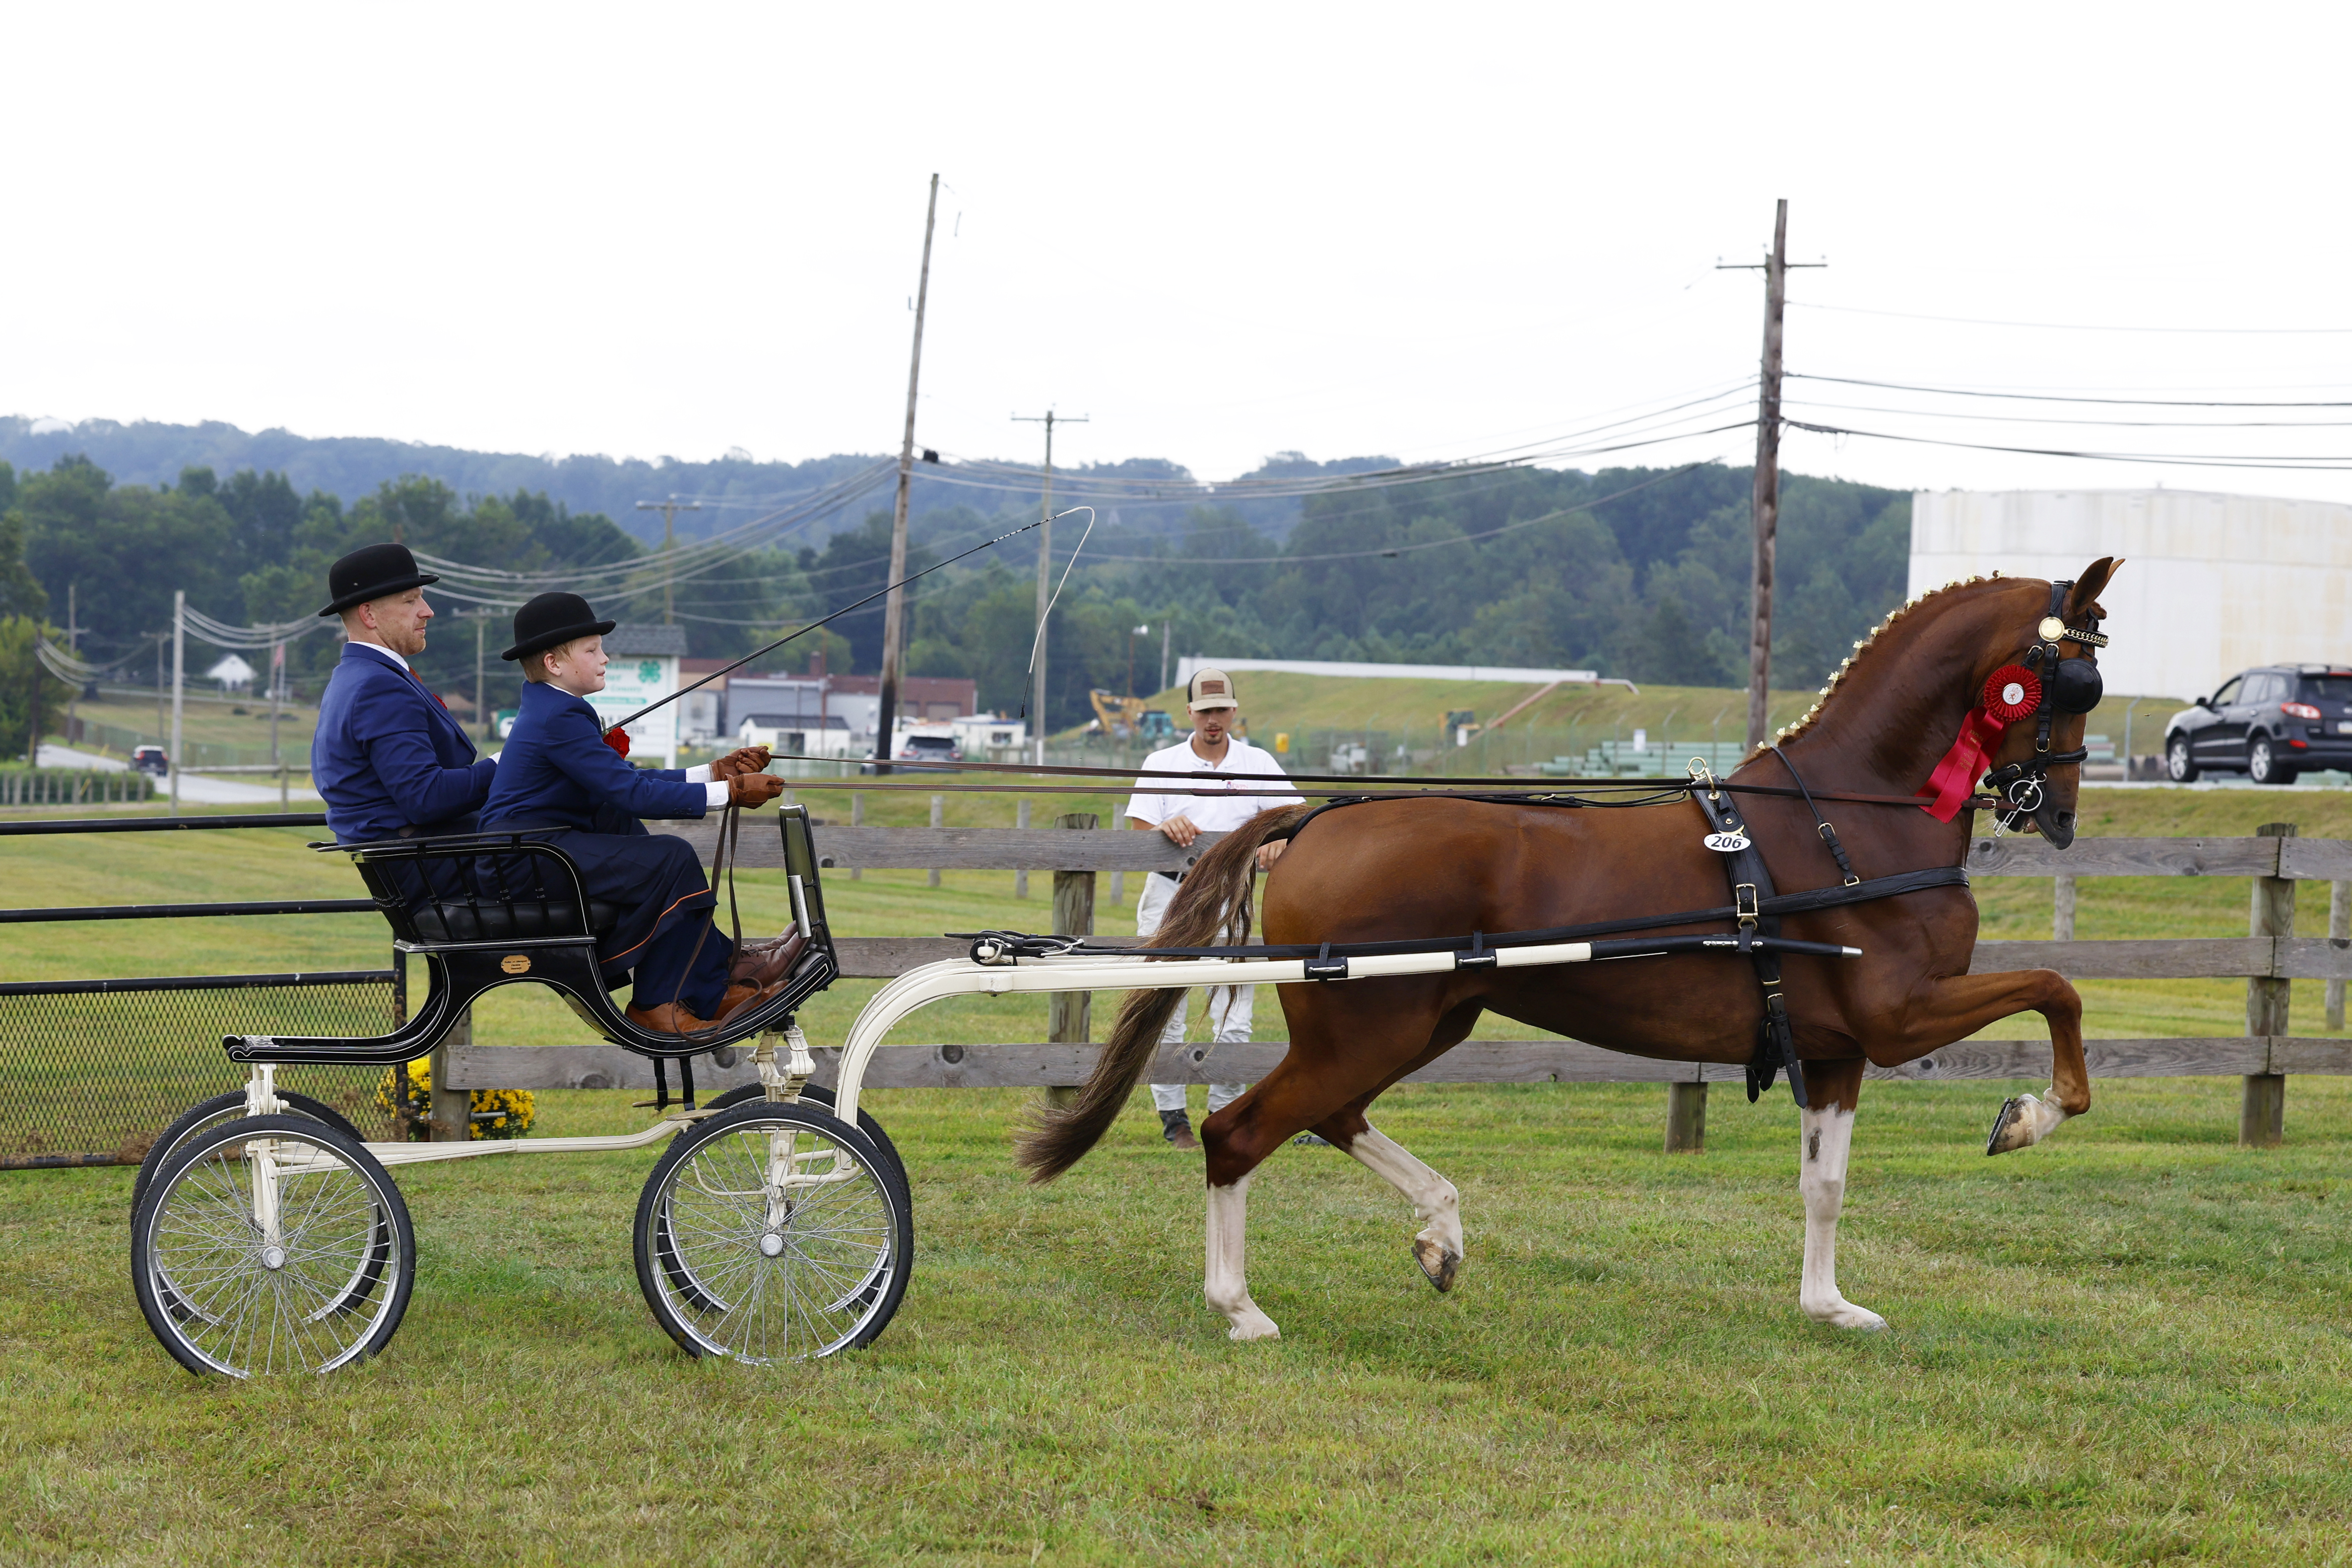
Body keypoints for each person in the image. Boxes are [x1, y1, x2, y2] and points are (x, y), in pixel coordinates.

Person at [479, 591, 798, 1035]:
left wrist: (714, 772)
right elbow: (631, 792)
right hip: (525, 859)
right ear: (554, 663)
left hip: (534, 850)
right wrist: (730, 792)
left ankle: (713, 980)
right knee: (671, 858)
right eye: (592, 650)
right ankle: (656, 1004)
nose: (605, 658)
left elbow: (624, 781)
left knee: (626, 828)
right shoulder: (558, 717)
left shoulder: (552, 708)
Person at [1124, 668, 1303, 1149]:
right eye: (1205, 711)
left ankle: (1225, 1114)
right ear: (1190, 712)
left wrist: (1281, 836)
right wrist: (1164, 828)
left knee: (1234, 1016)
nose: (1213, 719)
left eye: (1221, 709)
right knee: (1165, 1008)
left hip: (1232, 897)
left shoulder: (1257, 762)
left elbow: (1297, 815)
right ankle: (1173, 1118)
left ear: (1234, 710)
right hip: (1171, 895)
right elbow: (1139, 829)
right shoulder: (1162, 762)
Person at [311, 543, 496, 844]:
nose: (428, 611)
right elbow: (427, 798)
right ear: (369, 615)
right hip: (431, 857)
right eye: (410, 601)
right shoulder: (379, 686)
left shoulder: (352, 677)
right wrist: (504, 763)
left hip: (422, 850)